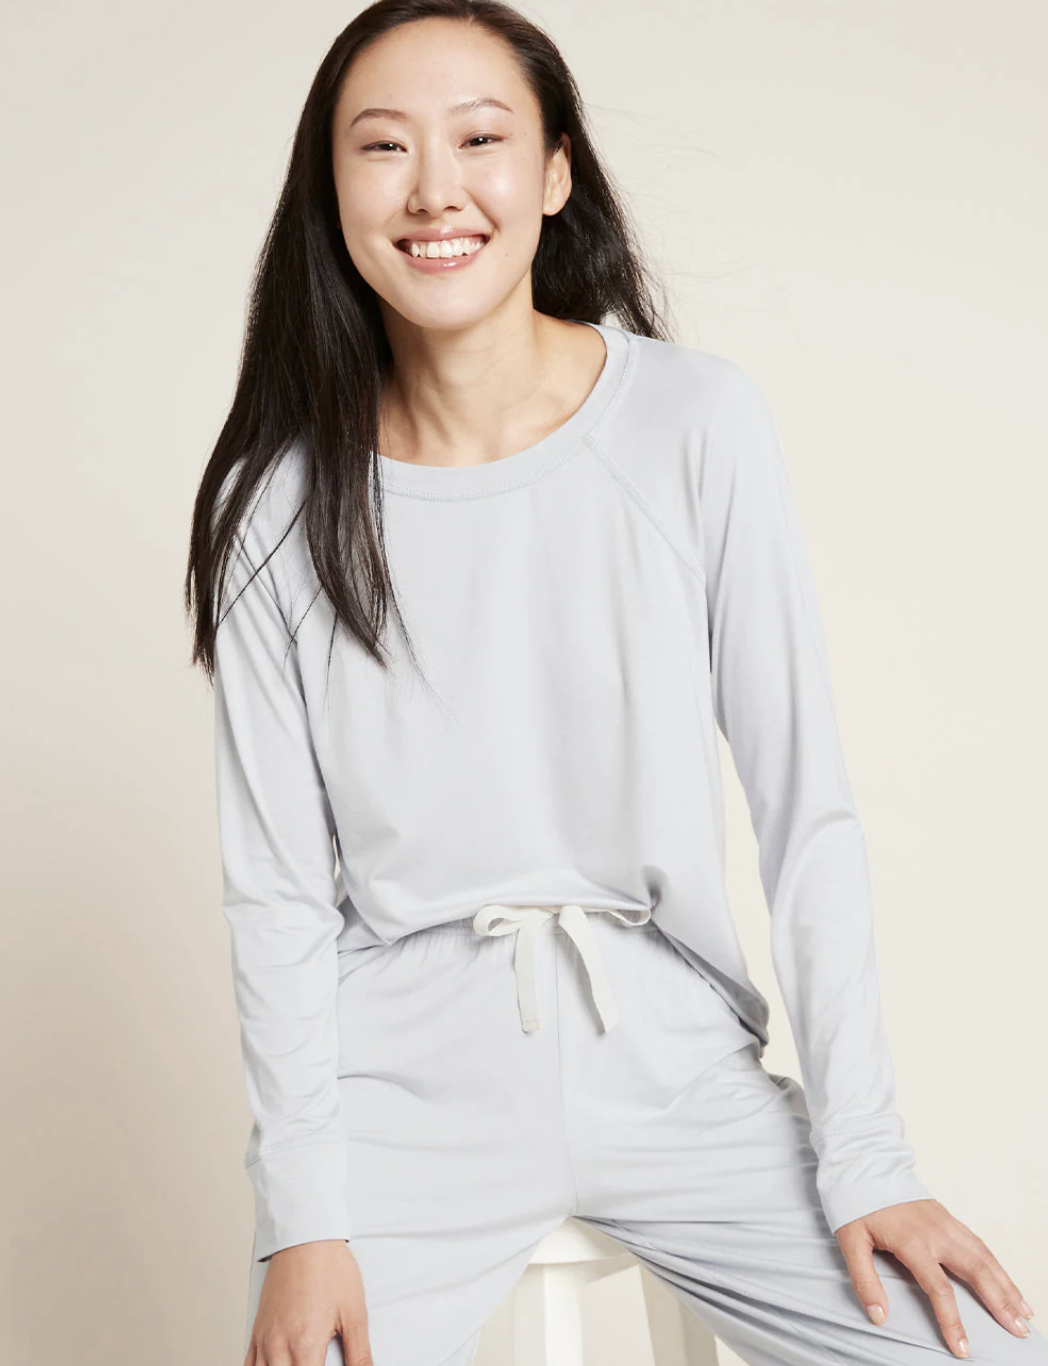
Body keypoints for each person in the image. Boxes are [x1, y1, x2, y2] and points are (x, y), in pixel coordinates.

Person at [184, 3, 1044, 1364]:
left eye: (480, 138)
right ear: (328, 187)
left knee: (977, 1352)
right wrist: (303, 1218)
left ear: (555, 172)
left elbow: (804, 810)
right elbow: (278, 892)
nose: (432, 191)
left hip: (675, 1064)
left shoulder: (695, 423)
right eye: (381, 147)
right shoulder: (274, 503)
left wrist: (869, 1154)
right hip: (404, 1094)